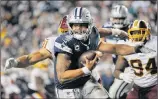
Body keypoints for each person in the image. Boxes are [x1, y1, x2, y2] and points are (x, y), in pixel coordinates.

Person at [4, 7, 141, 98]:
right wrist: (16, 62)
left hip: (90, 80)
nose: (76, 33)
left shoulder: (88, 32)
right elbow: (30, 58)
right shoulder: (55, 43)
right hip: (69, 87)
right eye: (67, 32)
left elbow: (97, 31)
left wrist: (116, 32)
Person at [113, 20, 157, 99]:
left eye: (140, 32)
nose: (137, 36)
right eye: (134, 33)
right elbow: (116, 71)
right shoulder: (126, 47)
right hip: (137, 87)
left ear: (148, 33)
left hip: (155, 85)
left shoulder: (155, 43)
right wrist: (123, 75)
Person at [99, 4, 134, 99]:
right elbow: (101, 44)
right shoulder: (106, 27)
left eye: (121, 18)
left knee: (114, 93)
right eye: (116, 18)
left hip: (130, 67)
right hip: (116, 66)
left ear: (126, 18)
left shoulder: (133, 28)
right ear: (111, 18)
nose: (118, 21)